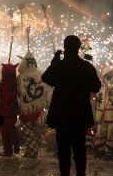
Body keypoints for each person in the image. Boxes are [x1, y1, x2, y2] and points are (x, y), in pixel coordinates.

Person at [42, 35, 101, 176]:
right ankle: (81, 173)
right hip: (80, 113)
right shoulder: (86, 67)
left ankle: (65, 173)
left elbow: (46, 77)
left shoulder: (60, 66)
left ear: (64, 47)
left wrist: (55, 61)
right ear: (78, 48)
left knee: (63, 148)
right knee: (80, 147)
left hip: (62, 114)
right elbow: (96, 87)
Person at [17, 51, 47, 158]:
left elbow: (18, 91)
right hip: (37, 109)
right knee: (32, 130)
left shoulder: (21, 76)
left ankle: (32, 152)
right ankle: (31, 151)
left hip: (26, 109)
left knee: (26, 130)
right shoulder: (39, 74)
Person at [0, 63, 20, 156]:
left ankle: (8, 151)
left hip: (3, 111)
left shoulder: (1, 85)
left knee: (4, 131)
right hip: (13, 111)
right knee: (11, 127)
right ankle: (15, 141)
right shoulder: (15, 85)